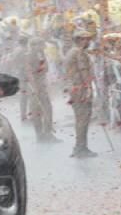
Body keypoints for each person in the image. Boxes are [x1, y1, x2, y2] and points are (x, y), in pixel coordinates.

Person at [66, 28, 97, 159]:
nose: (88, 41)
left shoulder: (71, 52)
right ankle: (80, 147)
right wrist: (89, 87)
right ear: (79, 40)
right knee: (83, 119)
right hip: (80, 89)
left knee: (80, 119)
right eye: (86, 39)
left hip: (75, 88)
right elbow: (84, 71)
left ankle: (80, 147)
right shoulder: (79, 53)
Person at [23, 35, 59, 143]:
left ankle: (48, 133)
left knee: (47, 108)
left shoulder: (40, 55)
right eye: (41, 44)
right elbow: (29, 72)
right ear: (34, 46)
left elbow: (46, 68)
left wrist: (41, 69)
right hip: (34, 87)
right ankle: (40, 135)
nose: (43, 46)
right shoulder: (29, 56)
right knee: (37, 110)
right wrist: (35, 87)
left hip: (41, 84)